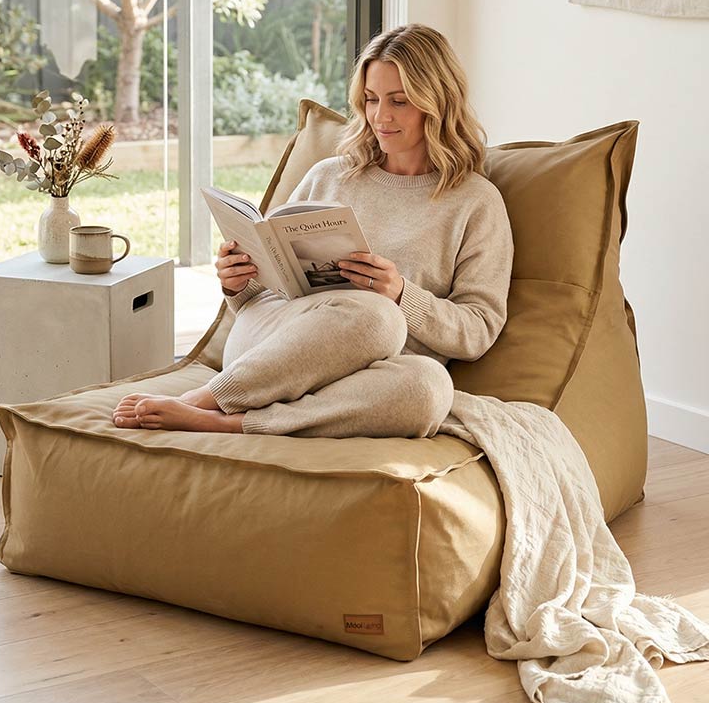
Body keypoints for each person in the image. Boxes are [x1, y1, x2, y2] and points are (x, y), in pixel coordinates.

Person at [112, 23, 514, 437]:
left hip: (369, 375)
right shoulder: (331, 175)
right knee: (377, 316)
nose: (381, 116)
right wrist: (238, 283)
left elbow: (478, 329)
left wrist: (401, 295)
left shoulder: (475, 202)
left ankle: (234, 423)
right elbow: (268, 290)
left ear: (439, 103)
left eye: (399, 101)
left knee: (429, 388)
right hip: (275, 344)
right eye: (371, 100)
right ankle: (208, 398)